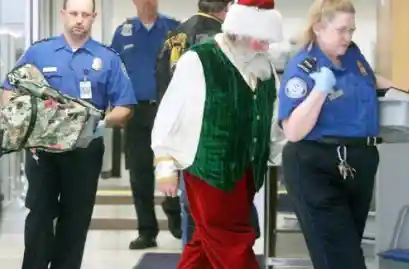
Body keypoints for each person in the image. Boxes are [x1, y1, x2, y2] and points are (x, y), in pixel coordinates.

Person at [1, 0, 136, 268]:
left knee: (76, 219)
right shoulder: (39, 52)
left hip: (85, 150)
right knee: (40, 215)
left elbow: (125, 107)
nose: (79, 20)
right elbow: (8, 88)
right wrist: (18, 119)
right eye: (74, 13)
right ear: (63, 15)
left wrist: (97, 124)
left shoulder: (107, 58)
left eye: (85, 15)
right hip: (43, 150)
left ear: (94, 17)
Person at [151, 0, 283, 267]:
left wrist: (277, 154)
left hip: (245, 173)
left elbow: (271, 120)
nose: (267, 46)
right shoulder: (200, 59)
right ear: (241, 30)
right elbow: (170, 113)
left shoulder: (264, 68)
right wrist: (165, 165)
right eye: (262, 39)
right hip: (208, 172)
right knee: (233, 244)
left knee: (204, 245)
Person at [278, 0, 395, 268]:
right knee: (344, 260)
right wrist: (319, 91)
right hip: (317, 164)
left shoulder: (352, 54)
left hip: (357, 163)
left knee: (345, 252)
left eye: (352, 30)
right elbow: (293, 131)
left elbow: (369, 79)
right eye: (341, 30)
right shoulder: (303, 67)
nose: (348, 37)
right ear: (318, 27)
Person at [110, 0, 181, 249]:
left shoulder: (173, 29)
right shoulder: (123, 32)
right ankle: (147, 231)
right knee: (140, 173)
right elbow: (114, 71)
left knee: (173, 165)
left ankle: (174, 212)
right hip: (136, 111)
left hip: (169, 109)